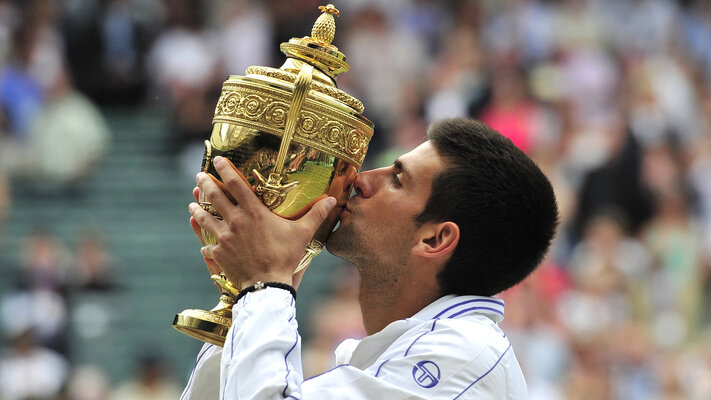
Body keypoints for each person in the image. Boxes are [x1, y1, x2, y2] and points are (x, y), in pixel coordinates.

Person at [181, 118, 559, 399]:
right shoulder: (399, 350)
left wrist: (266, 284)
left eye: (397, 179)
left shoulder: (464, 354)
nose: (360, 179)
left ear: (435, 238)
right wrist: (242, 298)